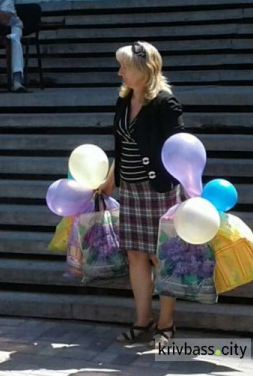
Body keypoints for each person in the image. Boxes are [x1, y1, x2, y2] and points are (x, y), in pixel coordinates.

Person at [98, 41, 184, 348]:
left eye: (125, 67)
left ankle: (166, 323)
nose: (120, 72)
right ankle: (142, 321)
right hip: (131, 191)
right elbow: (121, 147)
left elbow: (180, 150)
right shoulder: (124, 100)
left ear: (145, 70)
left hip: (159, 191)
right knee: (135, 253)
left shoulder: (165, 103)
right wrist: (111, 179)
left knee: (161, 255)